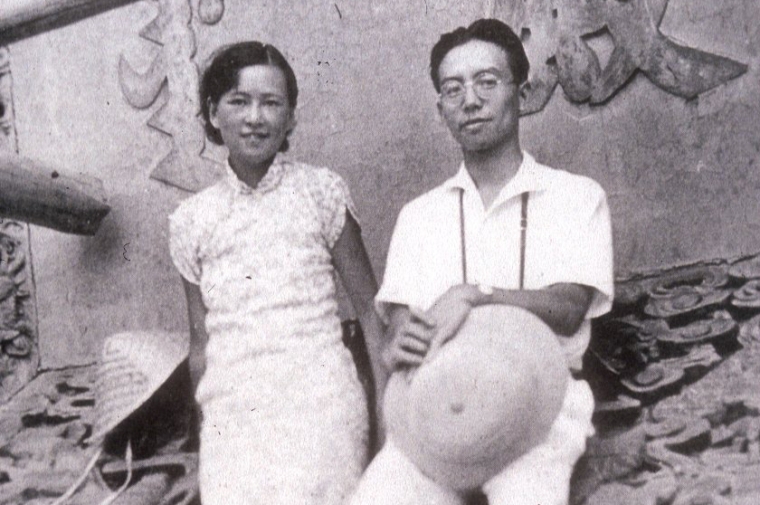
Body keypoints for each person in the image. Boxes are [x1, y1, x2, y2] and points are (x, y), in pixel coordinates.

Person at [351, 18, 613, 505]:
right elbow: (402, 324)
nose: (469, 100)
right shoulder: (419, 215)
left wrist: (474, 294)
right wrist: (400, 338)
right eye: (453, 90)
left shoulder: (576, 196)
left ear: (522, 90)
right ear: (441, 109)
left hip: (543, 401)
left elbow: (570, 307)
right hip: (438, 405)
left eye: (486, 82)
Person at [168, 41, 387, 504]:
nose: (255, 117)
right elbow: (200, 348)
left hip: (321, 402)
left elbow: (372, 316)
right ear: (212, 112)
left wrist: (388, 431)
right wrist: (205, 449)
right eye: (239, 101)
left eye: (272, 103)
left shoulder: (320, 191)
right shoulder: (191, 220)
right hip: (235, 410)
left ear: (290, 117)